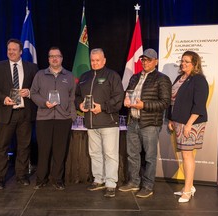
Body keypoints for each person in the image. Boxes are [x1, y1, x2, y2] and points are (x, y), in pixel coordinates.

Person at [119, 48, 171, 198]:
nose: (145, 62)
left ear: (156, 61)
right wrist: (126, 100)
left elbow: (165, 103)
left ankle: (148, 186)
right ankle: (134, 182)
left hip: (149, 124)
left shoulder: (162, 78)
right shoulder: (134, 77)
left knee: (149, 157)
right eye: (143, 59)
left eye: (148, 60)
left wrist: (145, 105)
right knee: (132, 154)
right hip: (132, 121)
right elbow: (128, 93)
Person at [0, 38, 38, 189]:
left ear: (21, 51)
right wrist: (4, 98)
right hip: (5, 112)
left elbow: (37, 88)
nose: (11, 52)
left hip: (25, 113)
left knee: (24, 146)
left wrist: (29, 92)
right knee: (1, 147)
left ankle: (21, 176)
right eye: (9, 49)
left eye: (14, 50)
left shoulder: (32, 68)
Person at [75, 48, 124, 198]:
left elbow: (118, 98)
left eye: (98, 60)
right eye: (92, 60)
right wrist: (80, 105)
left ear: (104, 60)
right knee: (94, 153)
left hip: (108, 122)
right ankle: (99, 179)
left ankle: (110, 183)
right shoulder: (84, 77)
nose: (95, 63)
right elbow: (77, 96)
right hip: (90, 123)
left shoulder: (112, 76)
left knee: (110, 154)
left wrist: (102, 108)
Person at [30, 47, 76, 190]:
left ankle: (57, 179)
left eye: (57, 56)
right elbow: (33, 93)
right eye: (51, 56)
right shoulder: (40, 75)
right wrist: (44, 103)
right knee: (44, 150)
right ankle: (41, 179)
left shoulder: (69, 76)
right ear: (48, 59)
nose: (54, 59)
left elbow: (72, 97)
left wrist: (72, 116)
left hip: (63, 119)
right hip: (44, 118)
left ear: (62, 58)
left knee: (59, 151)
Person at [168, 51, 209, 203]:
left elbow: (199, 105)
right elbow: (173, 100)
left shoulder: (198, 80)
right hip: (179, 121)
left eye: (187, 61)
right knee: (186, 155)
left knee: (187, 155)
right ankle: (189, 186)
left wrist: (188, 125)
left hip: (191, 123)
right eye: (182, 61)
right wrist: (171, 119)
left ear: (195, 64)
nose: (183, 64)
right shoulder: (180, 78)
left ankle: (187, 190)